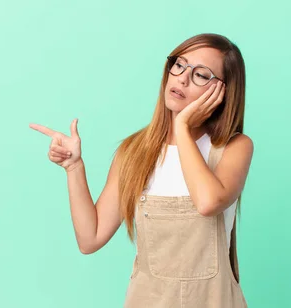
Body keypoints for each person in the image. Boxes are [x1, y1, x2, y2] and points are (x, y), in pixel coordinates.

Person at [29, 33, 253, 307]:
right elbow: (90, 238)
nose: (182, 78)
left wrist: (181, 127)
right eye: (179, 65)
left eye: (201, 75)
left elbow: (207, 203)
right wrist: (74, 167)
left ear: (223, 91)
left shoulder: (233, 148)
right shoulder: (134, 152)